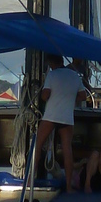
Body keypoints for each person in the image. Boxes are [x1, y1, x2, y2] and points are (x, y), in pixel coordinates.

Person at [34, 53, 86, 192]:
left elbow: (45, 96)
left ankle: (29, 182)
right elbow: (83, 96)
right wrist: (69, 97)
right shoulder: (74, 75)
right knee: (67, 150)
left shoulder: (52, 75)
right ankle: (69, 187)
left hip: (51, 116)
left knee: (37, 146)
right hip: (67, 117)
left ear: (51, 63)